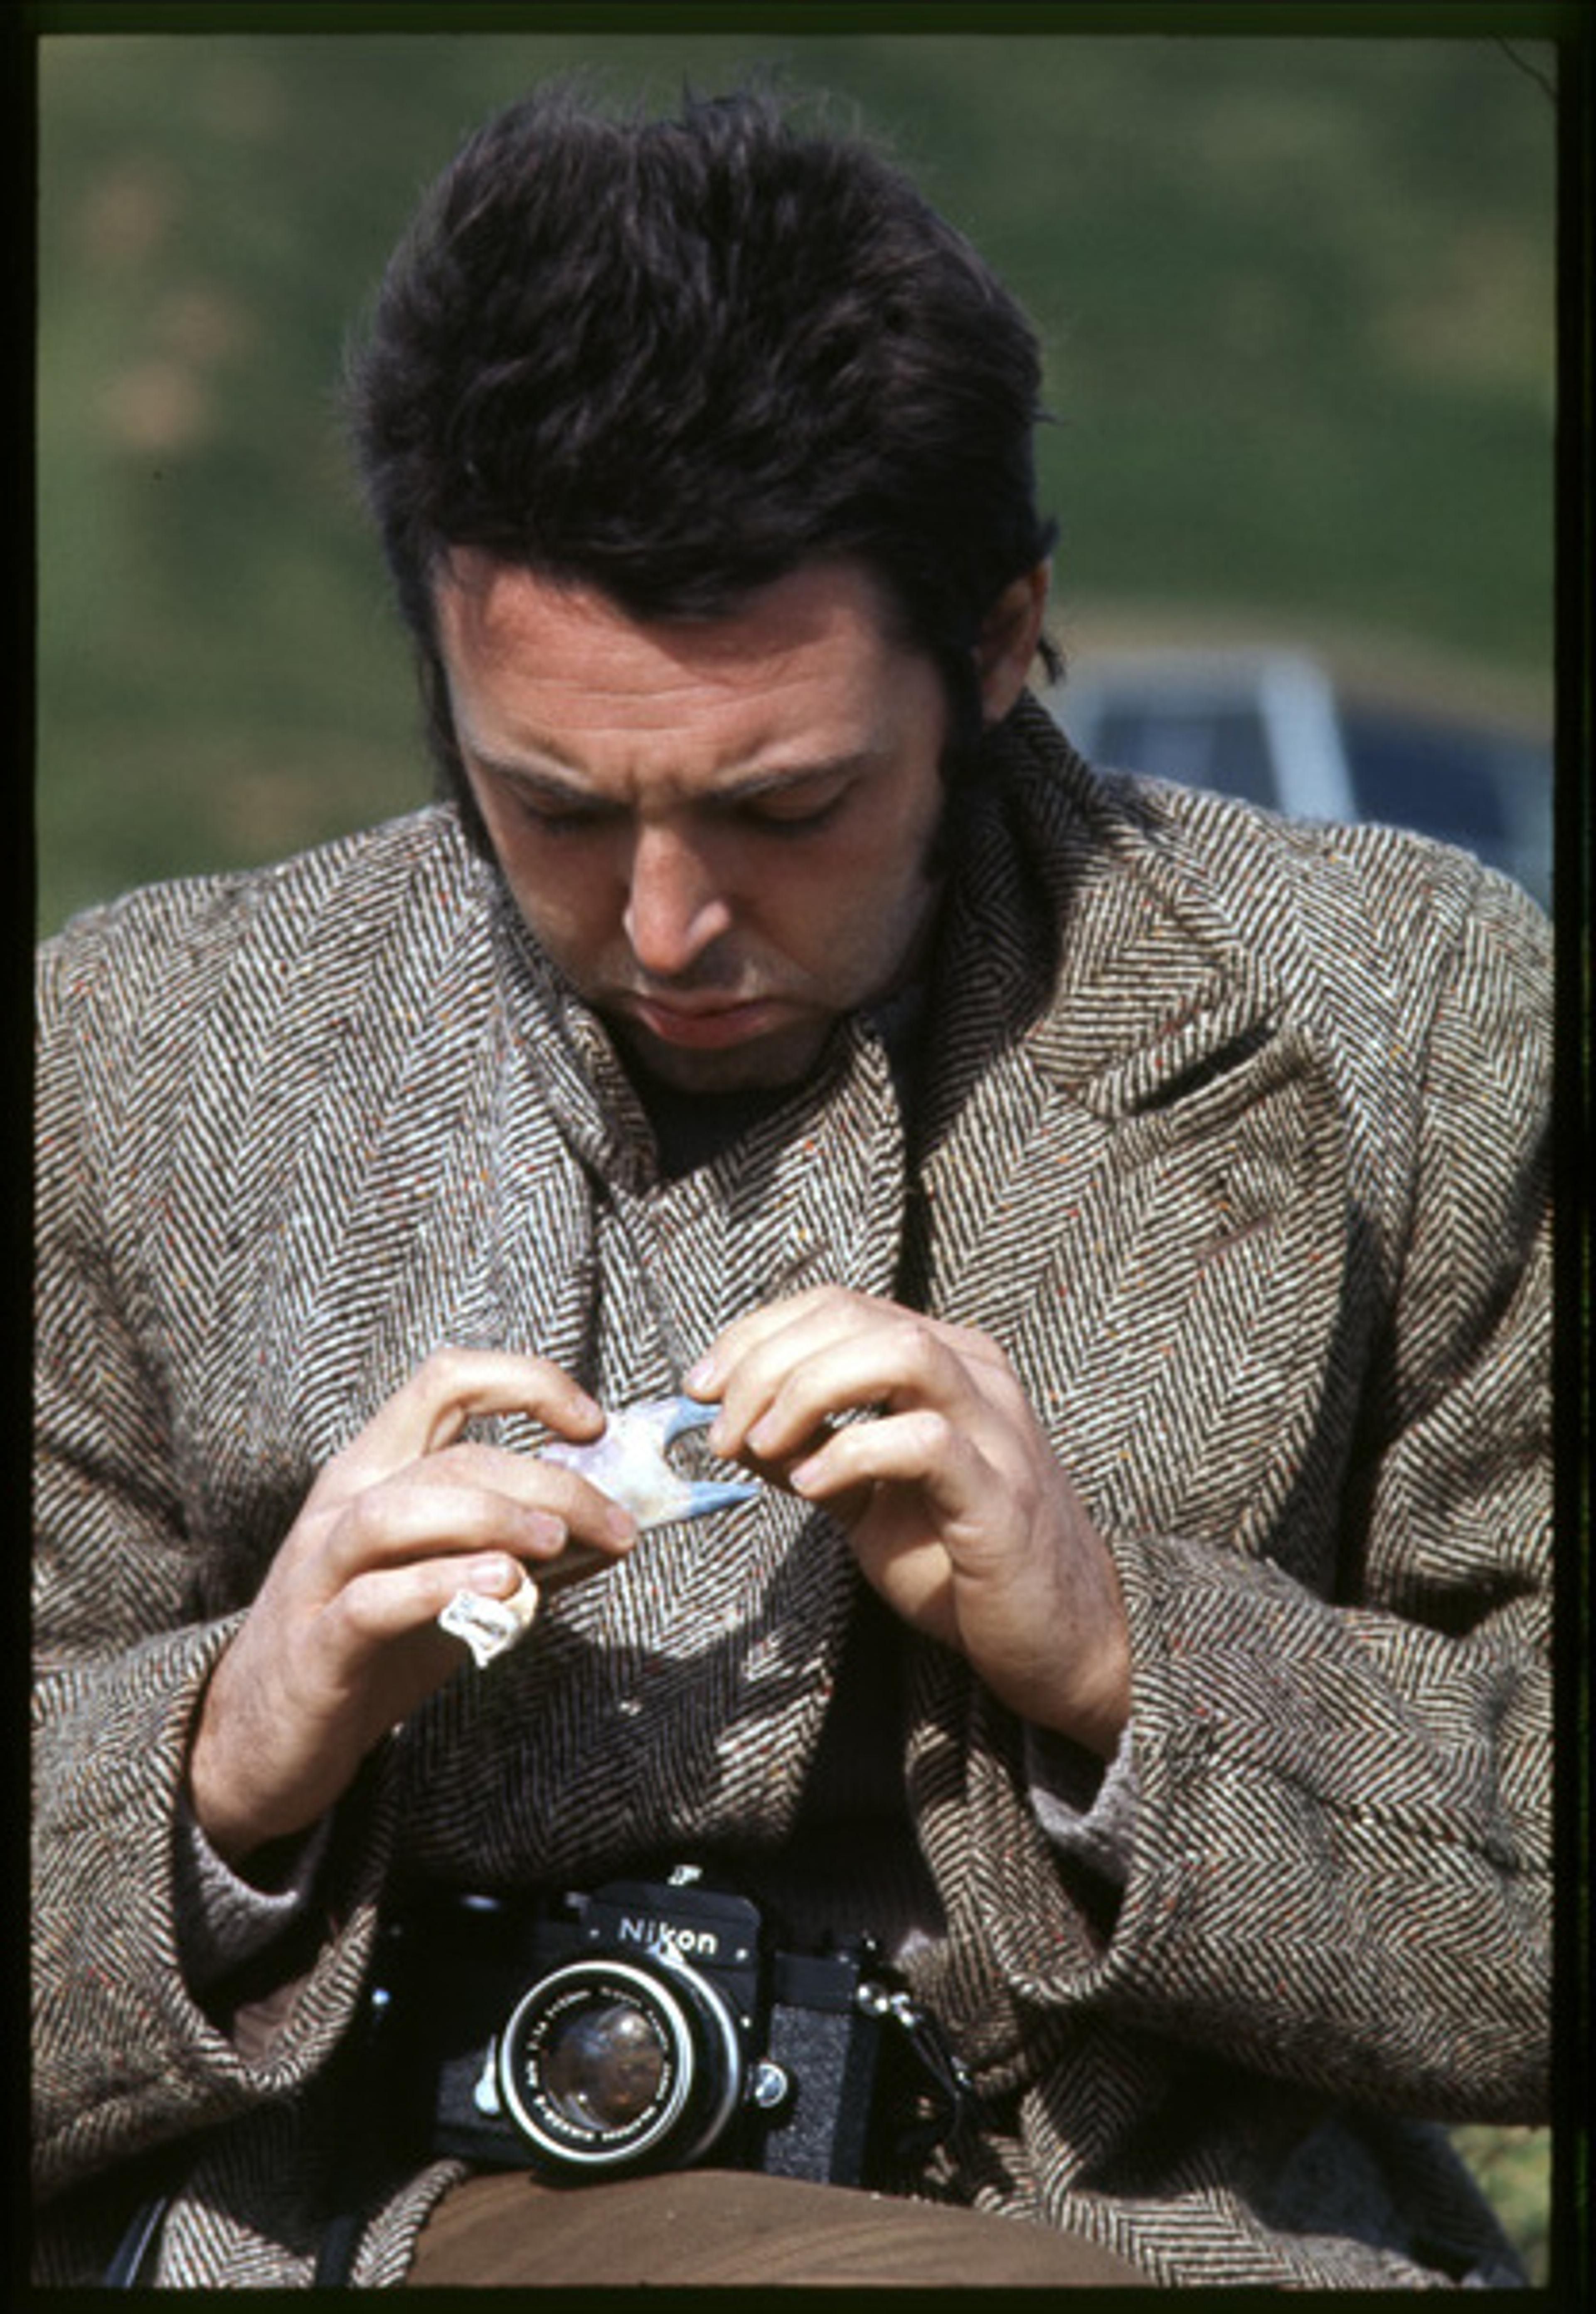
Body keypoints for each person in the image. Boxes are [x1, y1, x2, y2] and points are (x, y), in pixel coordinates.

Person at [32, 81, 1550, 2289]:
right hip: (387, 2218)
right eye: (548, 804)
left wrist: (1130, 1654)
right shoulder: (145, 1052)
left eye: (784, 805)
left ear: (1007, 636)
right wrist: (231, 1751)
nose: (664, 922)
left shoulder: (1403, 1021)